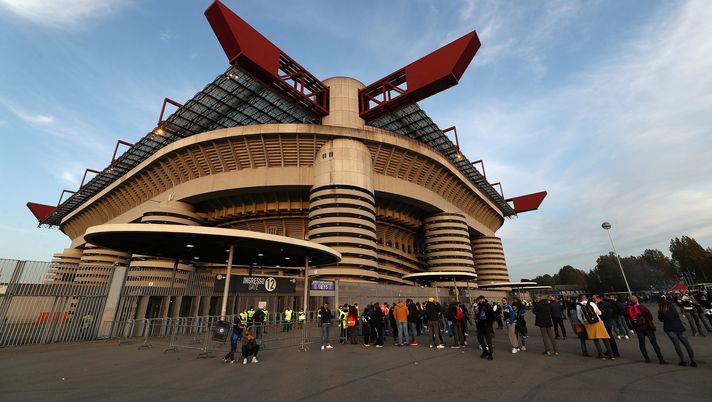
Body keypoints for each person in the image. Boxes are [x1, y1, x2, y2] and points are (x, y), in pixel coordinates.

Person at [627, 295, 667, 364]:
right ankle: (661, 359)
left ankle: (647, 358)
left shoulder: (629, 309)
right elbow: (650, 315)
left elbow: (629, 319)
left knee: (642, 344)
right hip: (647, 327)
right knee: (654, 343)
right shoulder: (641, 307)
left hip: (638, 328)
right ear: (636, 299)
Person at [658, 297, 697, 367]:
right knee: (687, 345)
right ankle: (693, 360)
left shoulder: (661, 311)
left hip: (669, 329)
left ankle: (682, 360)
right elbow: (677, 315)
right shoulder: (673, 308)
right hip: (679, 327)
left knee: (677, 345)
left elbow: (661, 319)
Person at [576, 295, 613, 360]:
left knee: (596, 339)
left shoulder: (578, 306)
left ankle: (601, 355)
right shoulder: (592, 303)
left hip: (588, 323)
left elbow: (579, 316)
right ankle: (611, 355)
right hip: (598, 321)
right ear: (586, 298)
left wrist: (584, 322)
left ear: (579, 299)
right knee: (604, 338)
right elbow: (599, 313)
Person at [474, 296, 495, 360]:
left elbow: (492, 316)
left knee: (488, 339)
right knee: (479, 338)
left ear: (484, 299)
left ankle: (490, 353)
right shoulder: (478, 306)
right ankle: (485, 351)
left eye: (481, 299)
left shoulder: (487, 306)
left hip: (487, 325)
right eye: (479, 300)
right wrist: (476, 313)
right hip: (480, 325)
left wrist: (489, 324)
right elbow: (478, 315)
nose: (480, 301)